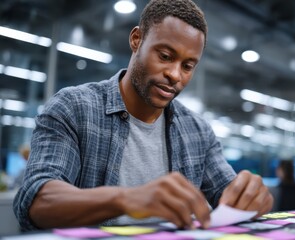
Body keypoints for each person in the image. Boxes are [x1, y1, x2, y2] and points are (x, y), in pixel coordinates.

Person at [13, 0, 273, 231]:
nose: (175, 74)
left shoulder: (197, 131)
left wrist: (252, 196)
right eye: (165, 56)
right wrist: (127, 199)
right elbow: (36, 201)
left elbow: (229, 194)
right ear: (136, 39)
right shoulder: (73, 107)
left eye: (187, 66)